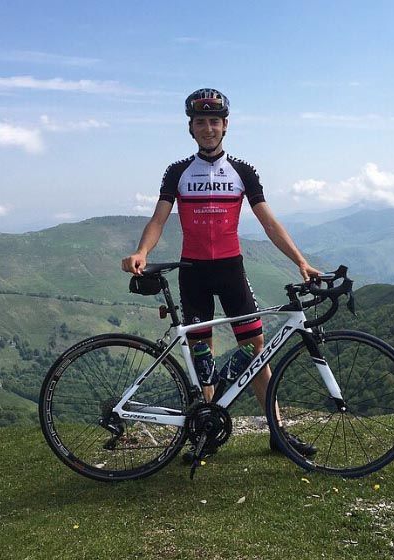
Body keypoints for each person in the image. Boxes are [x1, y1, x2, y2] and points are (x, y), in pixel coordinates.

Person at [121, 88, 319, 461]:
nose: (208, 128)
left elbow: (269, 224)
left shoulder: (243, 172)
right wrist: (142, 251)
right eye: (200, 122)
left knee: (255, 351)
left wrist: (300, 261)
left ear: (225, 125)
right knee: (202, 355)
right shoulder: (178, 172)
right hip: (193, 273)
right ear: (191, 128)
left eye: (214, 121)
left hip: (231, 270)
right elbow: (159, 218)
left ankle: (278, 434)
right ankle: (206, 432)